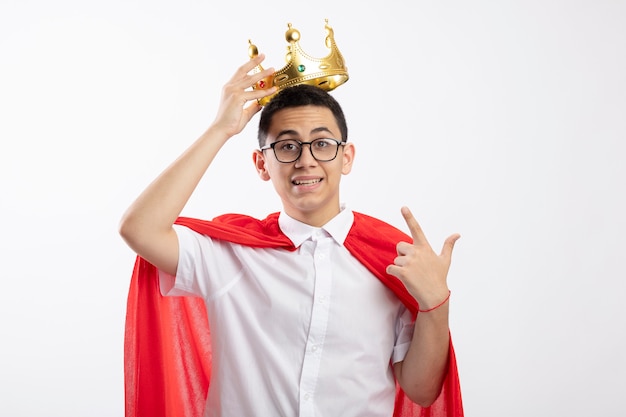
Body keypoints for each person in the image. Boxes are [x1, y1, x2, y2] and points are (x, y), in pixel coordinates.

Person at [119, 53, 464, 417]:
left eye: (322, 143)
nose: (305, 160)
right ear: (261, 163)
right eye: (286, 146)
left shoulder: (393, 260)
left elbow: (422, 391)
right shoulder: (229, 254)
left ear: (346, 157)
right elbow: (139, 228)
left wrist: (435, 302)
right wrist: (221, 128)